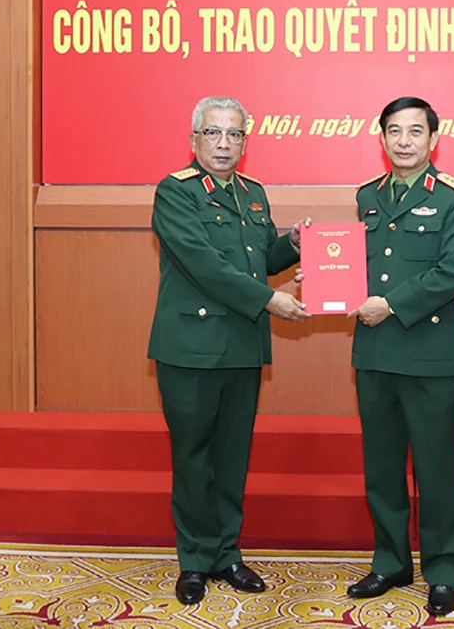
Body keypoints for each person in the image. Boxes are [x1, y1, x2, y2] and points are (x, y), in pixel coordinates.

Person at [147, 95, 311, 606]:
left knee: (232, 457)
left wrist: (294, 244)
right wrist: (269, 300)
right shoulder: (175, 191)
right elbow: (204, 264)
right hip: (191, 348)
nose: (224, 144)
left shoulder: (252, 193)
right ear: (194, 139)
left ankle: (227, 554)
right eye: (213, 133)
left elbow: (259, 258)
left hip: (242, 345)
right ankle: (195, 560)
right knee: (194, 458)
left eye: (234, 134)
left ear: (245, 141)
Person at [346, 96, 454, 616]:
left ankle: (443, 570)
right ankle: (391, 562)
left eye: (415, 131)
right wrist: (327, 281)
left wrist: (392, 304)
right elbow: (359, 265)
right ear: (382, 138)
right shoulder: (367, 196)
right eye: (394, 131)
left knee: (436, 469)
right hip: (375, 354)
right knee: (381, 469)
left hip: (430, 356)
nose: (404, 141)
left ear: (433, 139)